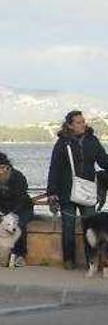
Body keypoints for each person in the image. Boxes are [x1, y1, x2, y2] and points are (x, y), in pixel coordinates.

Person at [47, 111, 108, 270]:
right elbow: (54, 168)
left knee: (92, 228)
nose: (83, 124)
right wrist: (52, 192)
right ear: (70, 125)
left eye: (83, 121)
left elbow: (104, 161)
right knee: (68, 226)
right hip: (66, 191)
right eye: (79, 122)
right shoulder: (62, 143)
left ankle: (92, 262)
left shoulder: (92, 141)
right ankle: (69, 260)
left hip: (87, 190)